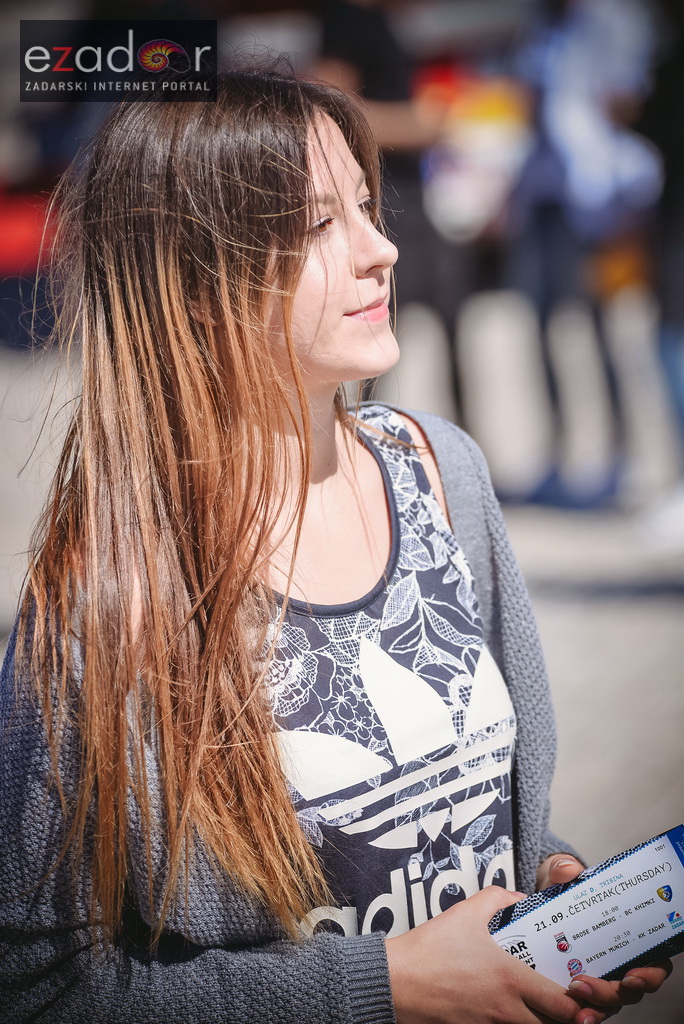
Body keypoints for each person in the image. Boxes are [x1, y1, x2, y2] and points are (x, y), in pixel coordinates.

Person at [0, 68, 671, 1023]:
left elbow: (467, 818)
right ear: (196, 281)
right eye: (318, 224)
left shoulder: (441, 471)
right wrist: (387, 986)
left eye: (366, 204)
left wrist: (547, 889)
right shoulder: (107, 595)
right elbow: (39, 985)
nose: (382, 249)